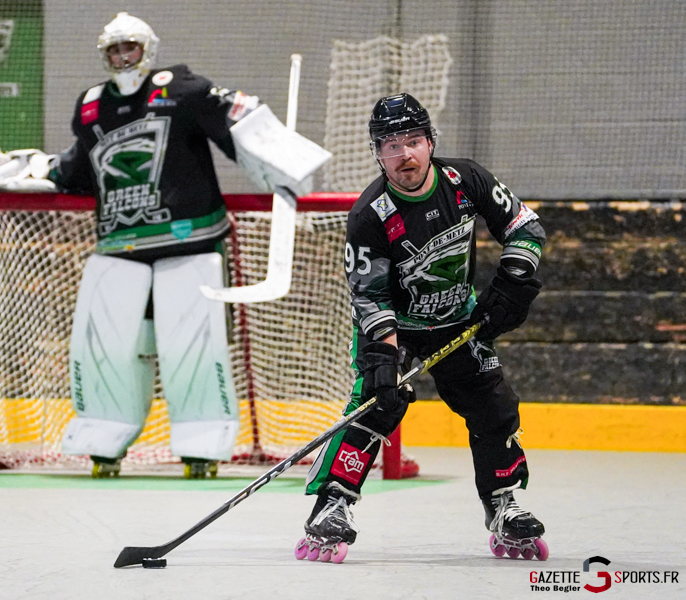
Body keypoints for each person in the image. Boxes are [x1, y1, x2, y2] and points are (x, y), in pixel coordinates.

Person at [47, 13, 326, 479]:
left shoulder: (180, 87)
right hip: (117, 246)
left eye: (130, 47)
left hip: (190, 240)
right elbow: (82, 164)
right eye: (114, 49)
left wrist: (280, 157)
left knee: (191, 345)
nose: (122, 57)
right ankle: (102, 435)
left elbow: (236, 119)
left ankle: (203, 441)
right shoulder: (91, 106)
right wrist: (37, 170)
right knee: (104, 345)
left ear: (147, 49)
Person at [294, 93, 547, 562]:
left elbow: (524, 226)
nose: (404, 154)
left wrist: (513, 281)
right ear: (377, 153)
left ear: (430, 142)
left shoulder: (466, 179)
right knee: (374, 407)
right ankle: (331, 507)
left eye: (413, 141)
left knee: (493, 407)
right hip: (398, 327)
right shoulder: (370, 215)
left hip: (458, 321)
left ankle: (503, 505)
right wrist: (385, 360)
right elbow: (369, 295)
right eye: (391, 146)